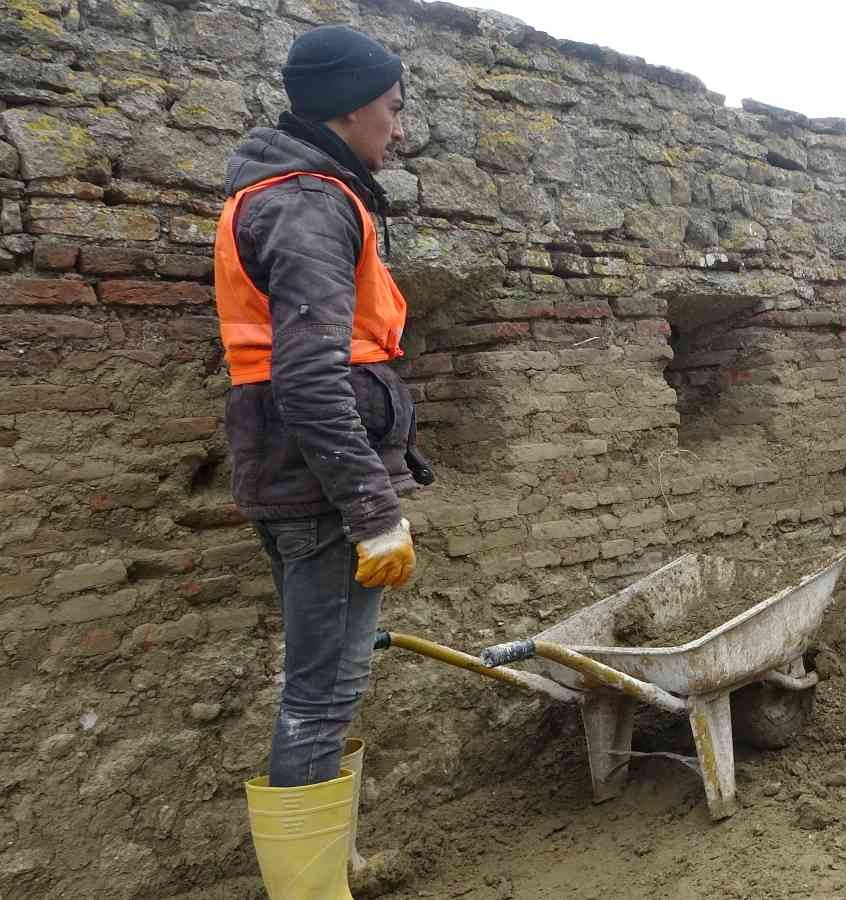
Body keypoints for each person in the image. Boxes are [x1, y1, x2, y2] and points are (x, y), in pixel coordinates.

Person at [213, 24, 430, 897]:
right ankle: (307, 890)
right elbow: (308, 379)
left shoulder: (309, 192)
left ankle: (330, 868)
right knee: (318, 696)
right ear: (349, 108)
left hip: (307, 484)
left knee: (335, 686)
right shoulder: (305, 202)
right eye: (391, 107)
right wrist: (373, 511)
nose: (398, 127)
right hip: (318, 495)